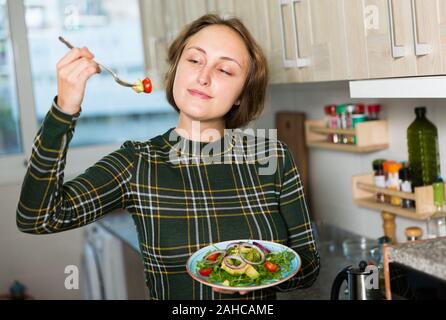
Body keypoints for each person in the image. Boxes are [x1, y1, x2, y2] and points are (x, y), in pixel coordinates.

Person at [16, 14, 319, 300]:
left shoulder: (272, 155)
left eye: (224, 69)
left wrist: (257, 277)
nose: (203, 76)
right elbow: (37, 217)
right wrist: (64, 110)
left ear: (241, 93)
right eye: (194, 60)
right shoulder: (137, 162)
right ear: (177, 70)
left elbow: (308, 263)